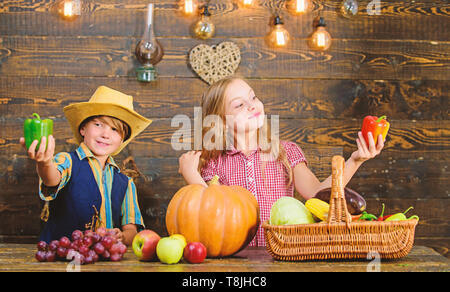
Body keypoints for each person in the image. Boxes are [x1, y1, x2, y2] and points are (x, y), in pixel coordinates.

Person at [178, 77, 385, 246]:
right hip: (235, 261)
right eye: (240, 105)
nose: (252, 106)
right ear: (221, 123)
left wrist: (355, 160)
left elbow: (318, 193)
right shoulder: (214, 163)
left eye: (253, 97)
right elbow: (209, 215)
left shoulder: (286, 152)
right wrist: (193, 177)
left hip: (284, 256)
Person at [20, 86, 152, 245]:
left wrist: (123, 237)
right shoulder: (67, 161)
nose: (105, 134)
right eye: (98, 124)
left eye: (115, 129)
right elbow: (51, 179)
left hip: (104, 264)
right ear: (83, 128)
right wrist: (45, 162)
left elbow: (131, 230)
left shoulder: (126, 183)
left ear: (122, 141)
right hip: (59, 262)